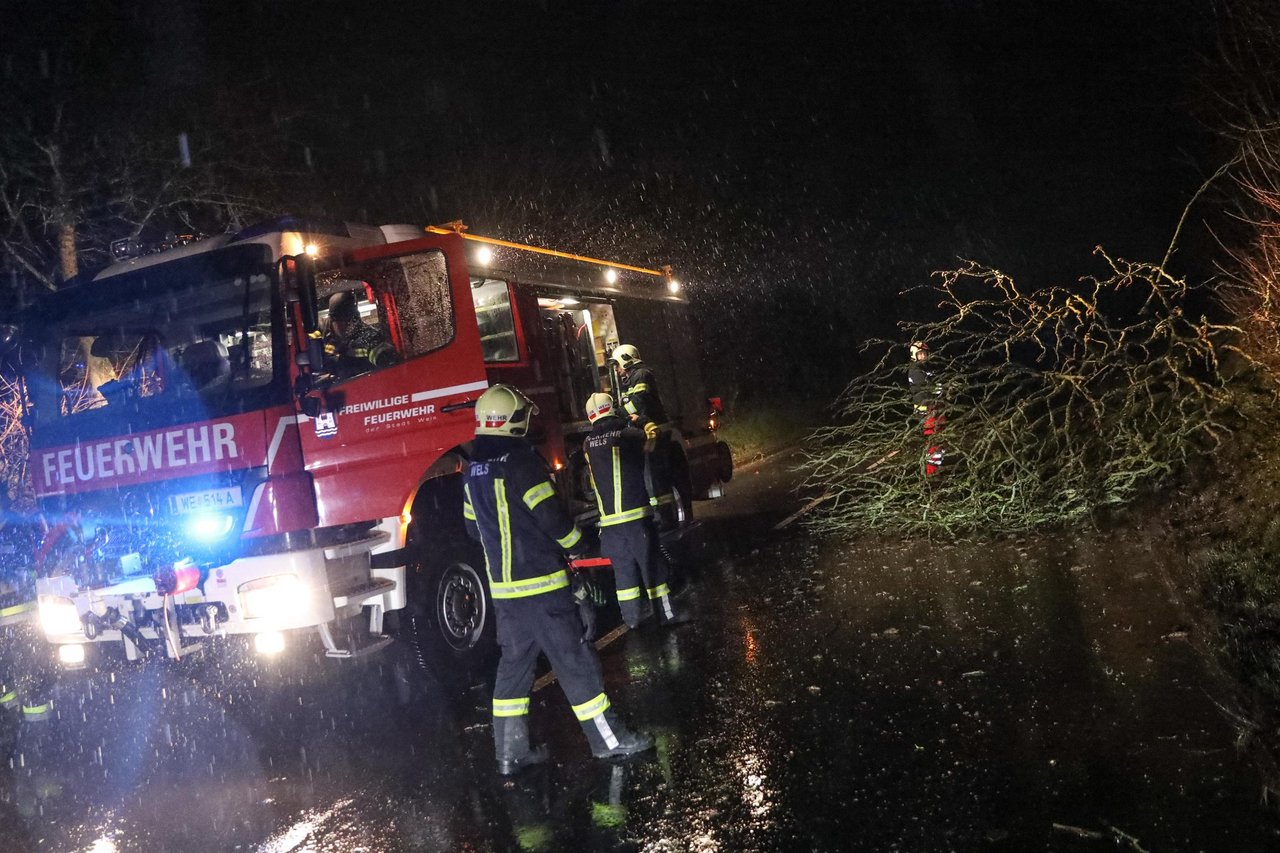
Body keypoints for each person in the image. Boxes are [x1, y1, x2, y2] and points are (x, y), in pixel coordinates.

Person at [463, 384, 654, 775]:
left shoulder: (471, 470)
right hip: (544, 589)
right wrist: (579, 544)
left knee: (513, 673)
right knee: (575, 663)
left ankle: (509, 754)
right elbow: (551, 519)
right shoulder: (521, 462)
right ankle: (609, 741)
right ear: (513, 420)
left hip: (506, 597)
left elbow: (471, 530)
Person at [582, 393, 688, 629]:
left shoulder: (587, 444)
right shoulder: (625, 435)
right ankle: (668, 616)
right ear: (612, 409)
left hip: (610, 528)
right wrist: (639, 419)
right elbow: (654, 437)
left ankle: (633, 624)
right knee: (655, 570)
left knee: (624, 578)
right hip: (636, 521)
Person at [609, 345, 677, 529]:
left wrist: (615, 414)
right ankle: (661, 516)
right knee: (651, 475)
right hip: (646, 431)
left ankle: (665, 518)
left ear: (626, 359)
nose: (616, 369)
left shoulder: (641, 375)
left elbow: (637, 404)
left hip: (653, 431)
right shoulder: (631, 378)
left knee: (654, 476)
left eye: (617, 364)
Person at [322, 291, 398, 380]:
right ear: (332, 321)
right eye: (341, 321)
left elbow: (382, 353)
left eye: (351, 320)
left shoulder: (367, 337)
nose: (347, 325)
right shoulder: (324, 334)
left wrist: (385, 357)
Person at [907, 340, 945, 476]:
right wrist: (939, 389)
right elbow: (927, 389)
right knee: (933, 443)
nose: (923, 356)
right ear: (914, 355)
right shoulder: (916, 370)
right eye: (920, 354)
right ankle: (932, 473)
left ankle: (937, 467)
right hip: (928, 413)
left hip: (936, 410)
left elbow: (937, 382)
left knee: (940, 441)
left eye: (925, 354)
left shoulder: (927, 367)